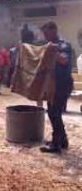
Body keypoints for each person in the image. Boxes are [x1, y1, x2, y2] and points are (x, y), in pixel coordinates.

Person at [39, 21, 73, 153]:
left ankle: (56, 144)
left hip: (62, 85)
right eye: (44, 33)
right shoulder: (50, 45)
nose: (45, 36)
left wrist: (52, 51)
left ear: (54, 31)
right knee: (54, 112)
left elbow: (64, 60)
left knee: (54, 113)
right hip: (53, 85)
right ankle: (62, 141)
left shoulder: (64, 45)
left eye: (46, 33)